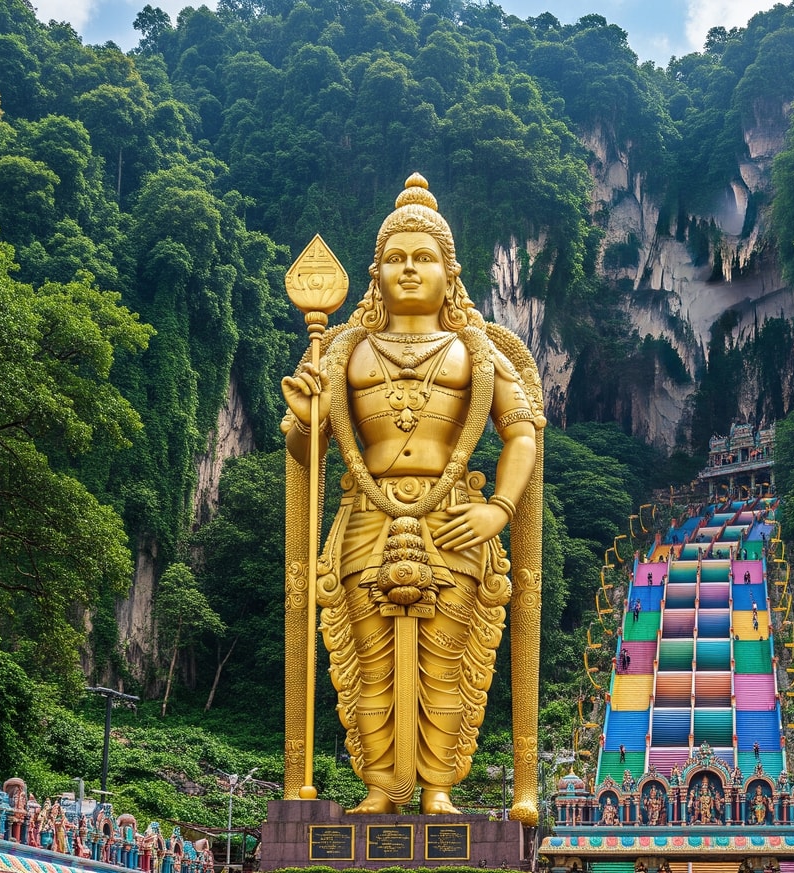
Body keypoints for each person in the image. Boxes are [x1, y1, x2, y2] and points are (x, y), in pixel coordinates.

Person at [281, 175, 546, 818]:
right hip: (366, 515)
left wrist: (499, 508)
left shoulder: (475, 351)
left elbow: (523, 432)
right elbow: (308, 456)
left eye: (422, 257)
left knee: (446, 662)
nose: (408, 269)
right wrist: (305, 420)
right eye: (395, 258)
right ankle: (379, 786)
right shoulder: (343, 352)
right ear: (375, 275)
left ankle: (437, 789)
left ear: (449, 275)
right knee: (368, 662)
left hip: (453, 516)